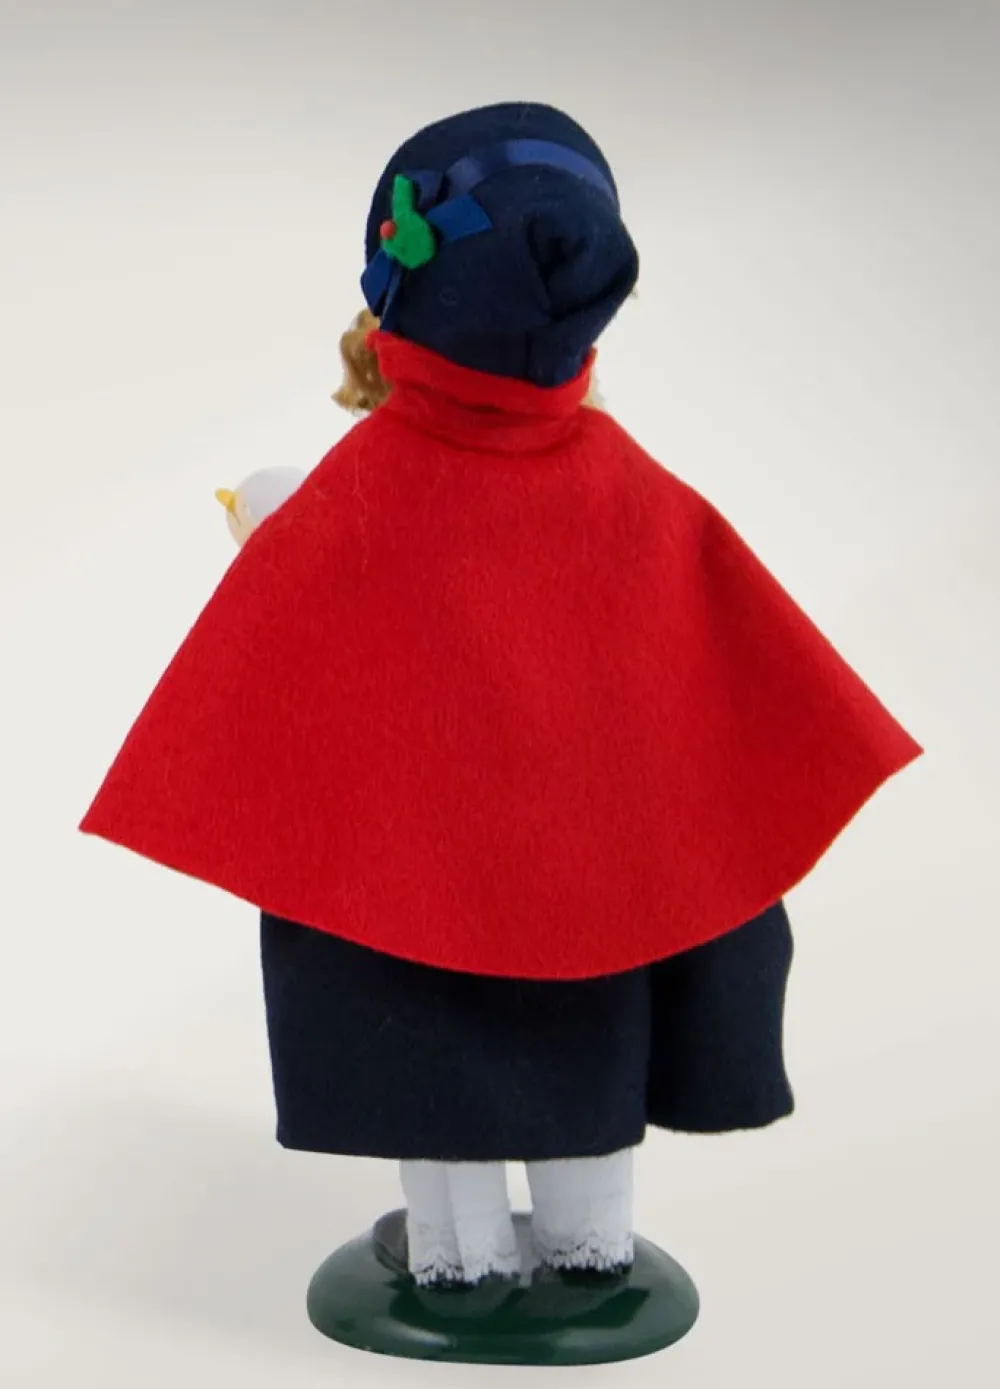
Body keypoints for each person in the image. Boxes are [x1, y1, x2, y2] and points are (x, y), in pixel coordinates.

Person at [81, 101, 921, 1288]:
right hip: (598, 885)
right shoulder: (635, 495)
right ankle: (591, 1245)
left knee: (433, 1074)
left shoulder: (370, 483)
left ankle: (458, 1263)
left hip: (408, 884)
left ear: (399, 291)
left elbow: (294, 588)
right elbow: (730, 668)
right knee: (590, 1064)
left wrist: (268, 518)